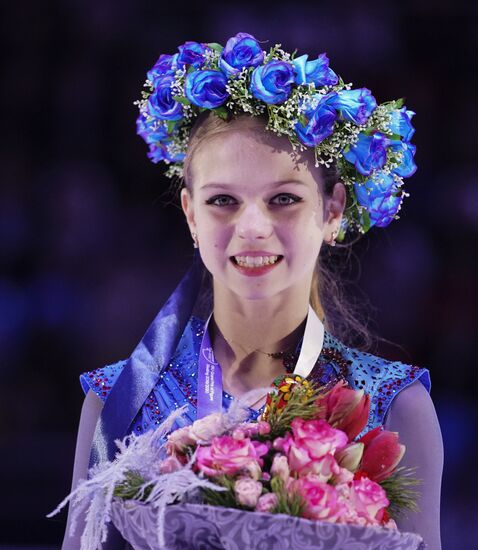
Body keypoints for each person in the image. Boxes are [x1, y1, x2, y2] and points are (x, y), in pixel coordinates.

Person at [61, 33, 443, 550]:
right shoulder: (116, 402)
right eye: (223, 200)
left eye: (283, 198)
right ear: (191, 214)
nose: (254, 227)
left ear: (332, 211)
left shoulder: (396, 405)